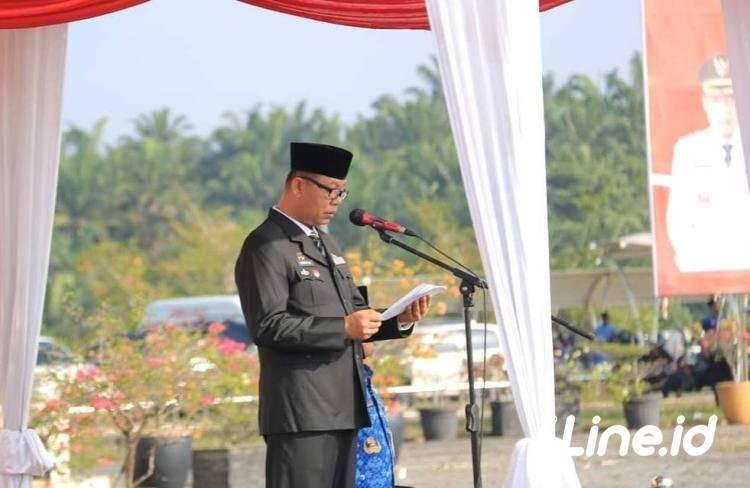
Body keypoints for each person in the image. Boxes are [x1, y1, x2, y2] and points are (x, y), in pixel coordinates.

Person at [234, 142, 431, 488]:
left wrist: (398, 319)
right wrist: (342, 328)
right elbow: (268, 325)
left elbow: (356, 314)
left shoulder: (327, 245)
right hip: (302, 413)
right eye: (331, 191)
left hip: (344, 405)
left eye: (342, 193)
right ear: (298, 185)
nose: (337, 202)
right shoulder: (266, 245)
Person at [666, 54, 750, 272]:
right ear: (705, 103)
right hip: (704, 267)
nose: (725, 109)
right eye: (716, 100)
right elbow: (678, 226)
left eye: (731, 98)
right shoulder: (688, 151)